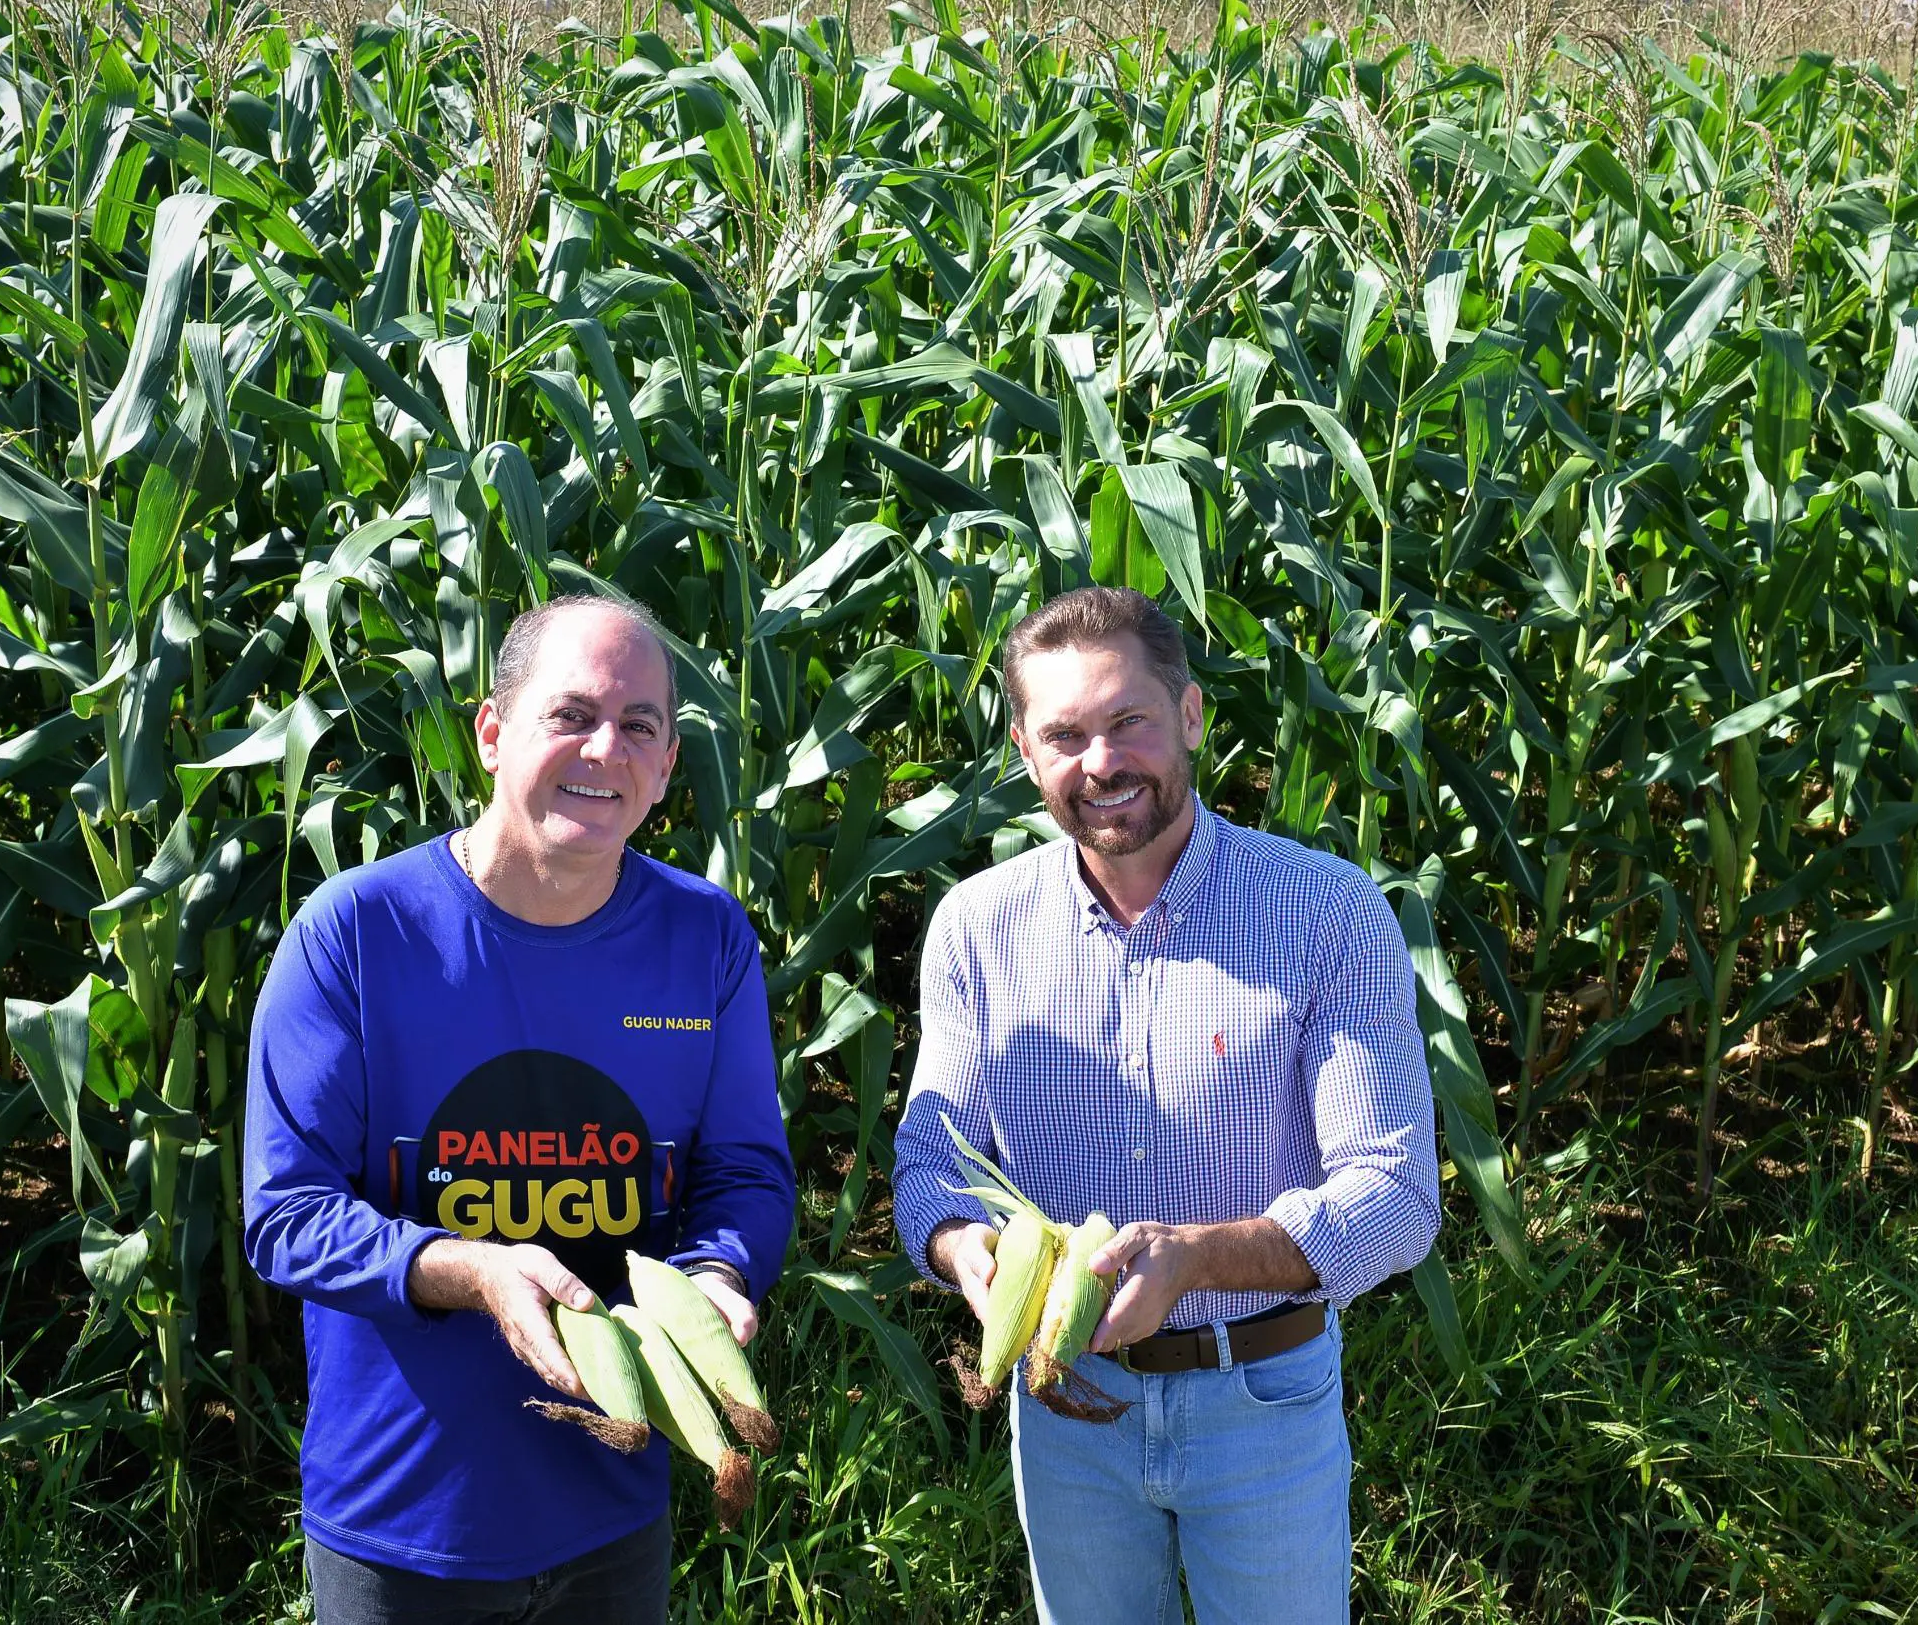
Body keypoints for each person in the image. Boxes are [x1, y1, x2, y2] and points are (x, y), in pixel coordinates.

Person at [893, 585, 1440, 1624]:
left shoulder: (1324, 912)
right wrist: (968, 1251)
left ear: (1190, 715)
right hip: (1065, 1408)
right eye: (1063, 734)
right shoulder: (976, 926)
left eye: (1125, 721)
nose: (1098, 762)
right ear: (1022, 748)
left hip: (1261, 1397)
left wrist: (1197, 1255)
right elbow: (932, 1163)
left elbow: (1396, 1193)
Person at [245, 594, 795, 1624]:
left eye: (639, 725)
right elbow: (285, 1213)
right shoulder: (356, 933)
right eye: (570, 714)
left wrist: (718, 1272)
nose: (605, 747)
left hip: (612, 1510)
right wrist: (476, 1269)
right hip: (403, 1521)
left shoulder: (703, 936)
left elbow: (744, 1171)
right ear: (491, 734)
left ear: (669, 763)